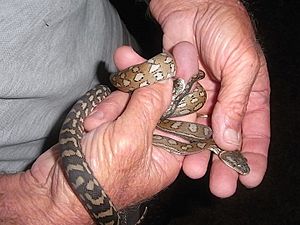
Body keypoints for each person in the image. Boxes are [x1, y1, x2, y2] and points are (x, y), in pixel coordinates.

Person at [0, 0, 270, 224]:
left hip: (117, 61)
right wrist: (40, 205)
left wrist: (198, 4)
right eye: (239, 162)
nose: (239, 166)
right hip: (29, 168)